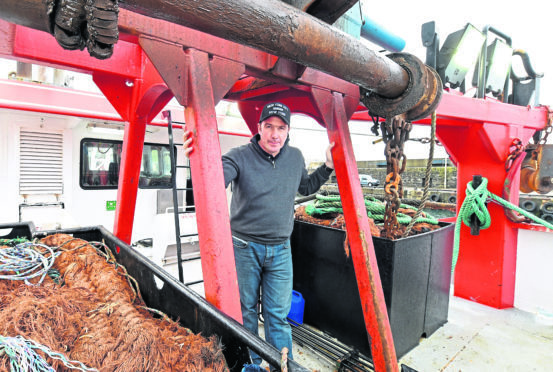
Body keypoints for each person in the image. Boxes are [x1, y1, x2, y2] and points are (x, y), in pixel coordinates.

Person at [183, 102, 334, 368]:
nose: (275, 134)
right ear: (259, 128)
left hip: (281, 250)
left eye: (281, 128)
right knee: (246, 313)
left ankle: (281, 365)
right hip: (244, 248)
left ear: (288, 131)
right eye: (269, 127)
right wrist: (197, 160)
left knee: (277, 315)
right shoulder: (238, 156)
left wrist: (328, 166)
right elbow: (214, 179)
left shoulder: (296, 157)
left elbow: (306, 186)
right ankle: (250, 365)